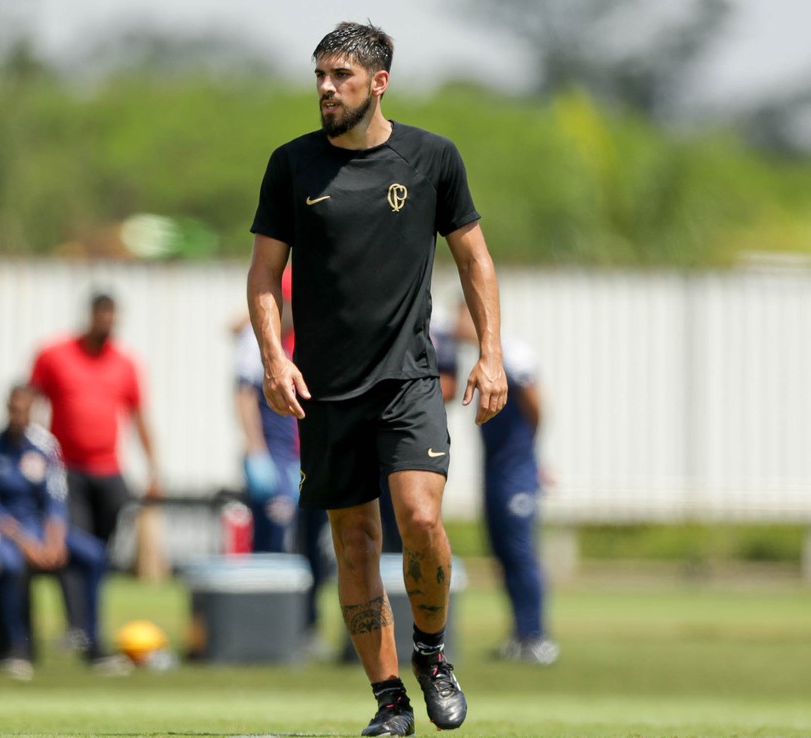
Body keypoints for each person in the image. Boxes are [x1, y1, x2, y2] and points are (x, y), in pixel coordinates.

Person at [246, 22, 507, 736]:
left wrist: (490, 354)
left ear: (379, 82)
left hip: (409, 380)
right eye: (321, 76)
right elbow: (265, 276)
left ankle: (432, 653)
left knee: (420, 519)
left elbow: (475, 259)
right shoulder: (292, 165)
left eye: (342, 76)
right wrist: (274, 358)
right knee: (354, 544)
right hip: (324, 393)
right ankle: (389, 702)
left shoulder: (432, 158)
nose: (327, 89)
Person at [29, 292, 161, 652]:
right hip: (66, 470)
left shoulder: (124, 363)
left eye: (112, 317)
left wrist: (153, 468)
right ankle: (78, 629)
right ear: (90, 316)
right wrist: (33, 456)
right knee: (75, 547)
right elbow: (31, 404)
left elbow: (138, 417)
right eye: (101, 316)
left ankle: (90, 622)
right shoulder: (55, 355)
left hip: (108, 471)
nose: (106, 324)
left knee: (100, 554)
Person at [0, 385, 126, 679]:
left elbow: (56, 498)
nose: (19, 416)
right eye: (14, 409)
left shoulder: (44, 445)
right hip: (1, 529)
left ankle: (92, 642)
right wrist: (25, 542)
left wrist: (55, 539)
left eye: (25, 410)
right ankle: (17, 647)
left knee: (94, 555)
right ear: (6, 408)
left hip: (40, 527)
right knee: (12, 564)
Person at [455, 302, 560, 666]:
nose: (456, 324)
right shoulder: (476, 358)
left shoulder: (512, 354)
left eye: (461, 314)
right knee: (502, 552)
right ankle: (520, 633)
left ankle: (537, 636)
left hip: (516, 469)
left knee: (521, 551)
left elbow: (534, 403)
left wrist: (530, 452)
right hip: (497, 469)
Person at [233, 266, 301, 554]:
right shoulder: (257, 338)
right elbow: (244, 395)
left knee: (296, 532)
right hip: (273, 448)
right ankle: (264, 596)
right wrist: (256, 448)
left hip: (295, 450)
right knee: (273, 529)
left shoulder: (294, 339)